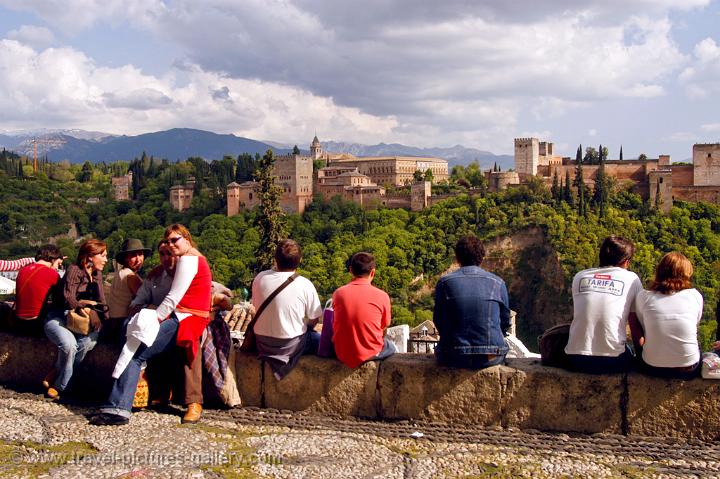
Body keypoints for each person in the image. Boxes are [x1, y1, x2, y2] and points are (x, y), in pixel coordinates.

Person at [92, 224, 212, 426]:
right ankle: (124, 404)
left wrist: (153, 319)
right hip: (182, 317)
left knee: (136, 351)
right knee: (137, 350)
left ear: (187, 239)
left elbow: (174, 298)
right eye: (168, 242)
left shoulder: (189, 259)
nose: (171, 246)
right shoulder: (186, 261)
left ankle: (118, 408)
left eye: (175, 240)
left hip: (185, 318)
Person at [564, 235, 643, 374]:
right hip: (612, 361)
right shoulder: (632, 279)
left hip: (575, 359)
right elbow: (634, 323)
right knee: (628, 351)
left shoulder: (580, 276)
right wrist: (641, 357)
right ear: (626, 261)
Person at [433, 235, 511, 369]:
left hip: (453, 356)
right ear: (482, 258)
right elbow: (505, 322)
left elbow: (439, 320)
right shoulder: (498, 283)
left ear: (457, 258)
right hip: (490, 356)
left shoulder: (444, 283)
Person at [43, 239, 108, 400]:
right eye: (103, 255)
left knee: (87, 343)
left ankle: (58, 374)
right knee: (69, 345)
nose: (106, 260)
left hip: (81, 322)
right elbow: (68, 297)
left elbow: (102, 301)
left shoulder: (97, 274)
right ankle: (63, 386)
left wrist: (106, 319)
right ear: (91, 256)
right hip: (59, 317)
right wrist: (86, 308)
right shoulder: (74, 269)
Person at [252, 239, 322, 380]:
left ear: (275, 259)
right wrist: (306, 326)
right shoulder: (304, 284)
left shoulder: (260, 278)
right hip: (291, 345)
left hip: (262, 343)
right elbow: (315, 318)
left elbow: (256, 305)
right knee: (320, 339)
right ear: (300, 260)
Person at [631, 252, 703, 379]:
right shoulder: (695, 296)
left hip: (652, 367)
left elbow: (644, 327)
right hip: (687, 369)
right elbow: (694, 324)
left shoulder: (644, 296)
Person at [332, 252, 396, 368]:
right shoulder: (382, 296)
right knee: (392, 346)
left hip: (341, 352)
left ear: (350, 270)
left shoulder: (338, 293)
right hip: (370, 352)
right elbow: (385, 324)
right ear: (373, 272)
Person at [12, 244, 64, 336]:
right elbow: (59, 300)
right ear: (52, 260)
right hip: (36, 323)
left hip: (17, 321)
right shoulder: (53, 274)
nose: (57, 268)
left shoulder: (22, 270)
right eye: (58, 264)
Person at [106, 239, 151, 343]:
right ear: (126, 258)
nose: (138, 259)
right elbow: (146, 299)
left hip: (113, 321)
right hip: (122, 324)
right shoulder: (130, 276)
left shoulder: (120, 273)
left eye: (140, 254)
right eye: (133, 255)